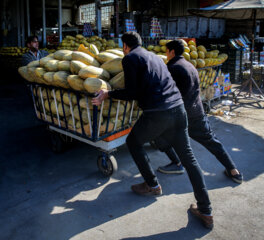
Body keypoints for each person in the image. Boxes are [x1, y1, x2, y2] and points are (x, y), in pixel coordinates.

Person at [92, 32, 214, 229]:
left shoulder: (130, 58)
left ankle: (152, 184)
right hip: (179, 109)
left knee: (133, 142)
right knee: (190, 160)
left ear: (125, 46)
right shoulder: (153, 56)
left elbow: (132, 92)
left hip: (158, 112)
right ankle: (206, 211)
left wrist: (108, 94)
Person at [151, 40, 243, 184]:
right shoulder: (190, 65)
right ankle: (233, 170)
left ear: (172, 52)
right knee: (211, 141)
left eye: (166, 51)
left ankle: (177, 164)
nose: (165, 54)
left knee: (159, 134)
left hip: (181, 114)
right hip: (197, 111)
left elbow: (165, 91)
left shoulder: (172, 68)